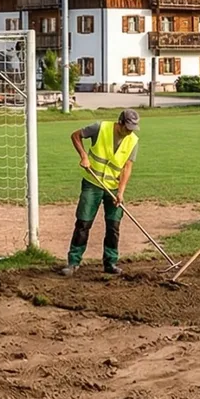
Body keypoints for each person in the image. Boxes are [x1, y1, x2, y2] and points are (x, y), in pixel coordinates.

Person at [61, 109, 140, 277]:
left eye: (132, 128)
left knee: (113, 226)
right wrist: (83, 155)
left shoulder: (133, 140)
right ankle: (73, 262)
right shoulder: (100, 128)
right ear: (120, 123)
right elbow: (75, 135)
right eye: (127, 127)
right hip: (92, 183)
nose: (129, 132)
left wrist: (121, 191)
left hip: (113, 187)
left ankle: (110, 262)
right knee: (83, 223)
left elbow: (127, 167)